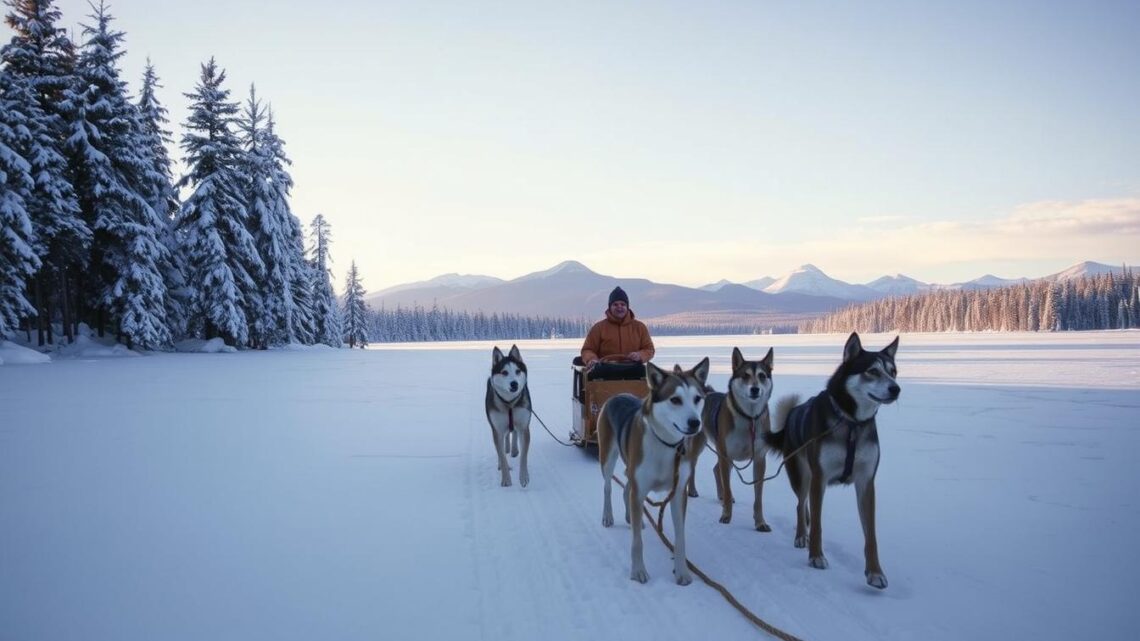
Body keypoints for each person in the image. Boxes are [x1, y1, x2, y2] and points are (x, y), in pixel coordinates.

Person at [580, 286, 655, 379]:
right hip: (606, 368)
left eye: (622, 304)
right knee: (594, 374)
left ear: (627, 307)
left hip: (632, 367)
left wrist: (639, 355)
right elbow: (587, 350)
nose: (619, 307)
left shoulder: (639, 327)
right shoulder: (599, 328)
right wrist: (592, 359)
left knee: (646, 374)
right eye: (615, 304)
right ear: (610, 307)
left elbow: (649, 349)